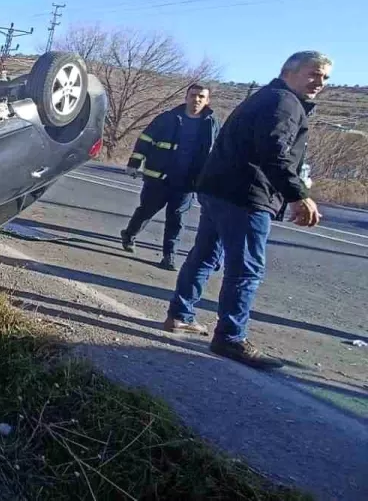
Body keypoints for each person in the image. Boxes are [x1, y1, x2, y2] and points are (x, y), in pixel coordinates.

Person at [163, 51, 331, 370]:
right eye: (313, 74)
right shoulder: (283, 102)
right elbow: (275, 153)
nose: (319, 82)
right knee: (246, 269)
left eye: (324, 77)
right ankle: (230, 337)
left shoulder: (270, 98)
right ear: (289, 72)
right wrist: (298, 196)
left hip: (221, 189)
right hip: (245, 194)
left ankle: (180, 316)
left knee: (205, 255)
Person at [119, 84, 219, 270]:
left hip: (188, 183)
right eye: (193, 95)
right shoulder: (168, 118)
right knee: (146, 211)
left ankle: (169, 256)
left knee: (177, 219)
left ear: (207, 100)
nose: (196, 99)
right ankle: (129, 234)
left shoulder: (211, 124)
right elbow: (145, 139)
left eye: (201, 97)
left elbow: (217, 151)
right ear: (186, 97)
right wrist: (134, 163)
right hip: (159, 179)